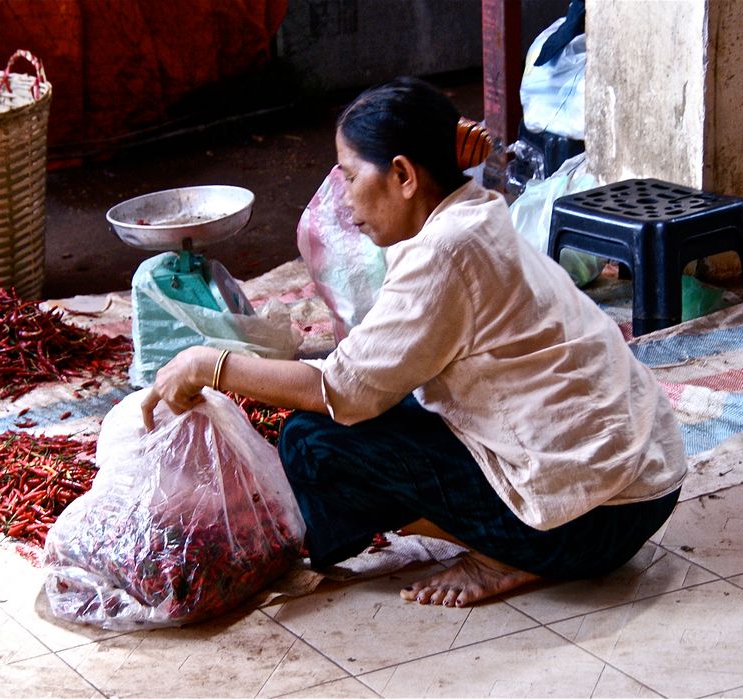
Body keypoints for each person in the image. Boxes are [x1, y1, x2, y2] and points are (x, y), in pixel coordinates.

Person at [141, 76, 687, 608]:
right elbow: (377, 363)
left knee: (313, 440)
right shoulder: (473, 209)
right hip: (648, 484)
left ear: (403, 174)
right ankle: (501, 535)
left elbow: (343, 391)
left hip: (590, 526)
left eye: (351, 177)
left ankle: (504, 552)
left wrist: (208, 363)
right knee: (391, 402)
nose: (345, 200)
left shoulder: (444, 253)